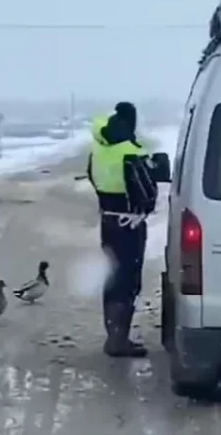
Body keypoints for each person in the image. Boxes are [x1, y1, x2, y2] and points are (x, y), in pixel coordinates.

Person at [88, 102, 158, 358]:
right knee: (128, 280)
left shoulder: (99, 150)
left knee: (112, 278)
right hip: (129, 224)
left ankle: (113, 335)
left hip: (108, 221)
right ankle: (119, 340)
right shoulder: (131, 151)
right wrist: (145, 205)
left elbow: (93, 177)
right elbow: (145, 191)